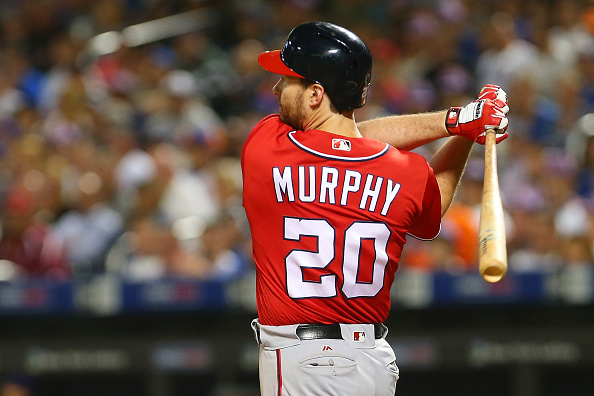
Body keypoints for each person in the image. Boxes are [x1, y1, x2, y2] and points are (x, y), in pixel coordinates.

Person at [241, 22, 509, 396]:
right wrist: (462, 129)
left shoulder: (266, 148)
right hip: (372, 362)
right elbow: (432, 205)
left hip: (305, 361)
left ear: (316, 94)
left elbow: (343, 141)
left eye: (289, 80)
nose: (276, 88)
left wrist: (458, 122)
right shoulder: (407, 172)